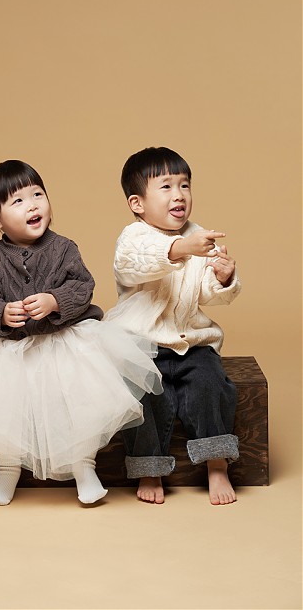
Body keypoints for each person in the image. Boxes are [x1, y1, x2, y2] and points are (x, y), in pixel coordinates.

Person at [0, 159, 162, 505]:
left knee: (78, 406)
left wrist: (54, 301)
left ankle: (84, 467)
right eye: (18, 201)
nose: (32, 205)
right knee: (6, 412)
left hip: (65, 344)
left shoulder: (64, 248)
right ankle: (7, 469)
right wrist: (2, 313)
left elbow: (83, 286)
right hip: (14, 352)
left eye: (37, 194)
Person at [105, 147, 241, 506]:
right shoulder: (134, 237)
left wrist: (223, 277)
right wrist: (181, 248)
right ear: (137, 203)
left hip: (191, 342)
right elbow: (134, 264)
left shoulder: (199, 235)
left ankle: (216, 463)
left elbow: (208, 292)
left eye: (184, 185)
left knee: (211, 383)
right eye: (166, 187)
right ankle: (149, 468)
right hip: (141, 345)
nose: (178, 194)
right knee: (143, 397)